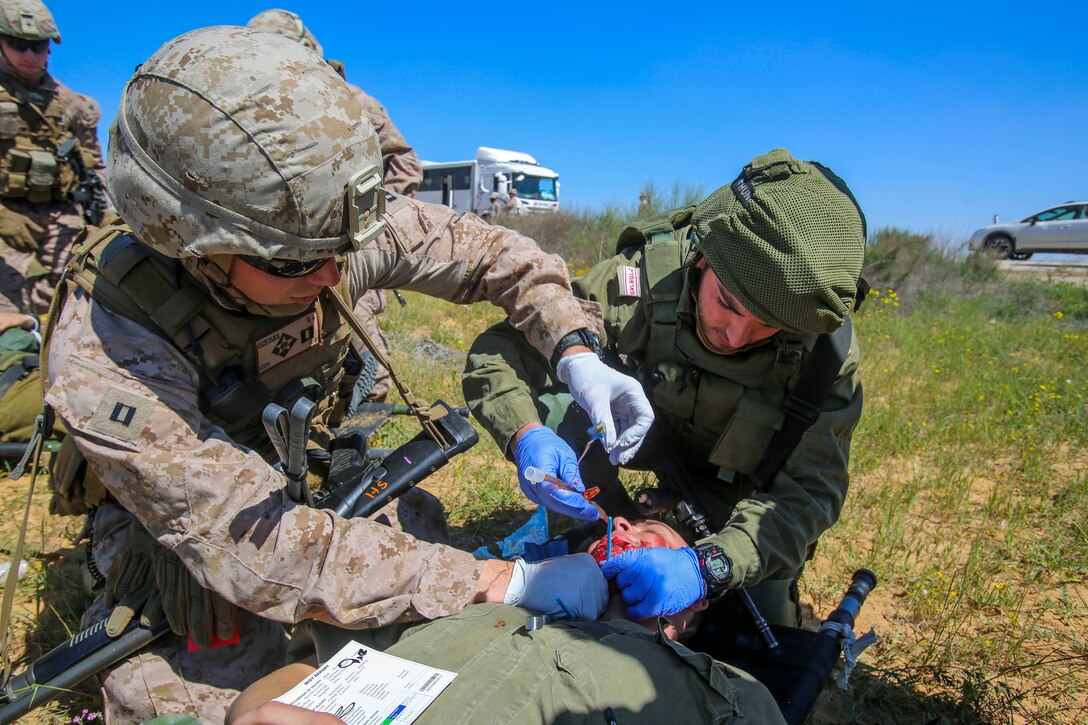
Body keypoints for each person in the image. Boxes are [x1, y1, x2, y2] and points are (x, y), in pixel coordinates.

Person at [42, 27, 651, 722]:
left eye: (341, 248)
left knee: (425, 637)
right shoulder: (111, 341)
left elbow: (494, 255)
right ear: (194, 243)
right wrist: (497, 579)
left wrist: (574, 350)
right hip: (195, 539)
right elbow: (249, 544)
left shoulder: (316, 234)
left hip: (331, 485)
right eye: (298, 264)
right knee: (212, 695)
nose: (336, 275)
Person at [464, 148, 866, 628]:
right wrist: (525, 433)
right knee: (560, 402)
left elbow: (809, 493)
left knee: (760, 616)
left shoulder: (825, 355)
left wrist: (710, 565)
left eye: (768, 326)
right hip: (641, 438)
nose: (735, 336)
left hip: (741, 487)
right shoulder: (642, 282)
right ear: (701, 261)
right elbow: (502, 348)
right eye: (728, 303)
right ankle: (603, 514)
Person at [226, 517, 787, 725]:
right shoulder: (467, 600)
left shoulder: (724, 693)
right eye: (624, 525)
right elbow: (305, 671)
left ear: (695, 603)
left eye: (655, 540)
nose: (626, 531)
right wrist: (256, 713)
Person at [247, 8, 425, 404]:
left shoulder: (350, 101)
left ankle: (363, 428)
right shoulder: (250, 105)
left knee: (359, 338)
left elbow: (404, 163)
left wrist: (374, 221)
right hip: (284, 251)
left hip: (347, 247)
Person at [0, 0, 105, 315]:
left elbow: (94, 167)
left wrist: (102, 218)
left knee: (81, 287)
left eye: (37, 45)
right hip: (6, 209)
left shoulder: (74, 104)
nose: (29, 55)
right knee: (7, 303)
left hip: (61, 212)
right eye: (18, 45)